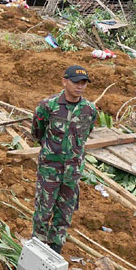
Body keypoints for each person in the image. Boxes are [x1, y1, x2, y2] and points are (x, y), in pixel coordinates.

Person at [30, 65, 97, 255]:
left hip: (73, 170)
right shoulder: (47, 106)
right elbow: (37, 132)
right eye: (76, 82)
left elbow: (86, 134)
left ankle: (56, 245)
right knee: (44, 208)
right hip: (50, 168)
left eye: (84, 83)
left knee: (65, 210)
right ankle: (38, 246)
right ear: (64, 81)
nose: (80, 87)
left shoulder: (89, 110)